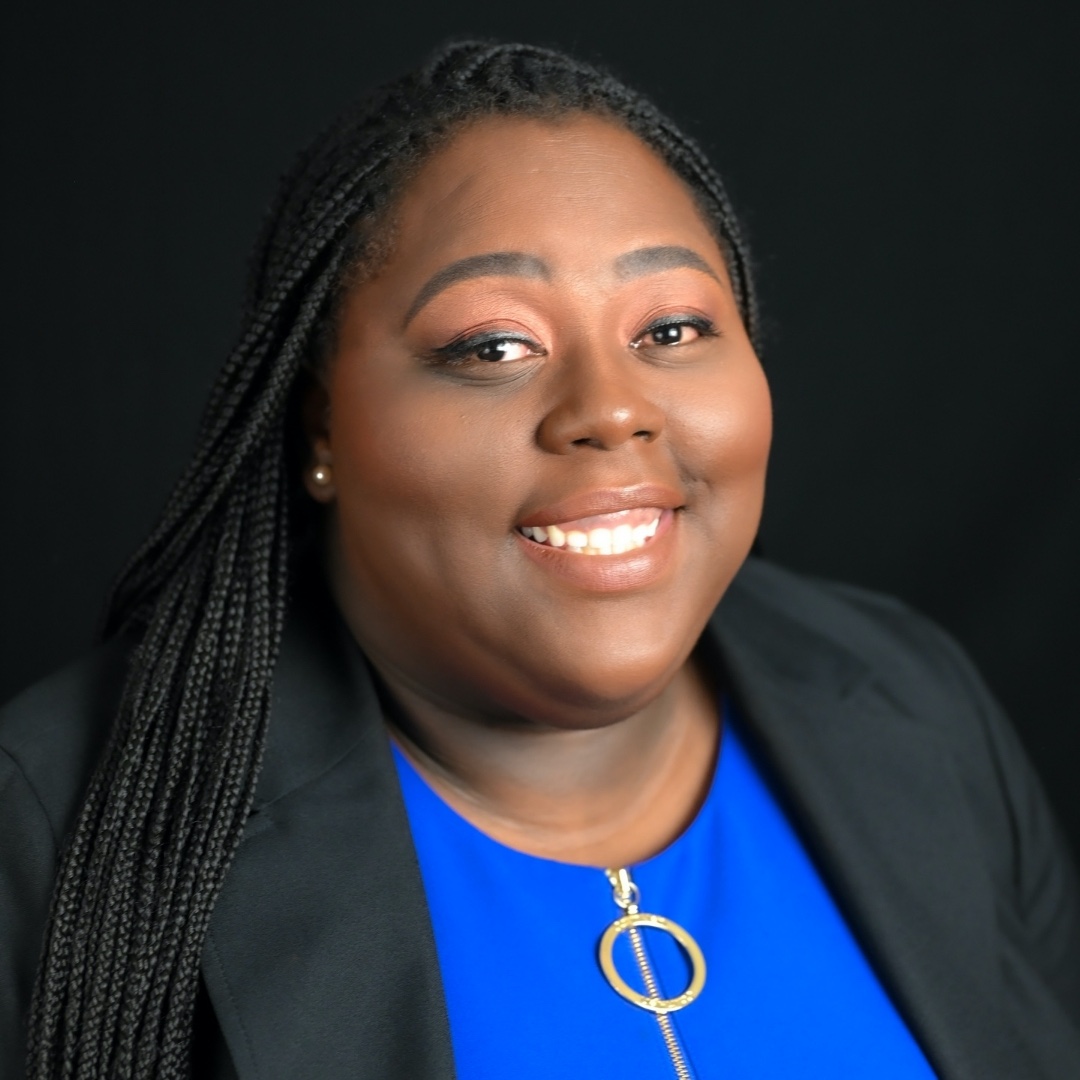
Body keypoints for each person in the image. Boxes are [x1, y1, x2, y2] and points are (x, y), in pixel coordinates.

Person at [1, 39, 1078, 1080]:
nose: (611, 410)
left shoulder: (913, 698)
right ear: (319, 425)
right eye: (494, 346)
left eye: (671, 329)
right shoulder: (57, 826)